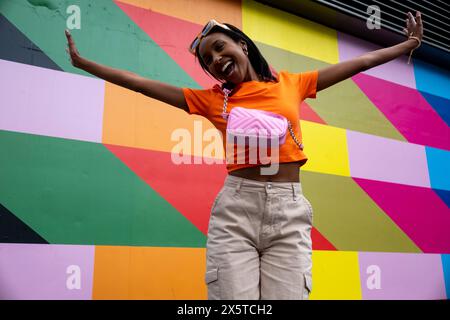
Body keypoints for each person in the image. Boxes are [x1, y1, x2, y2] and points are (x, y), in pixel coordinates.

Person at [65, 11, 423, 300]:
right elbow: (140, 83)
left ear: (242, 45)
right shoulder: (210, 100)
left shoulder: (291, 83)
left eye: (221, 48)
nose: (217, 59)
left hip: (289, 211)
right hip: (236, 213)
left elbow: (361, 62)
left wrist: (409, 43)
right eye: (208, 59)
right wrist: (84, 64)